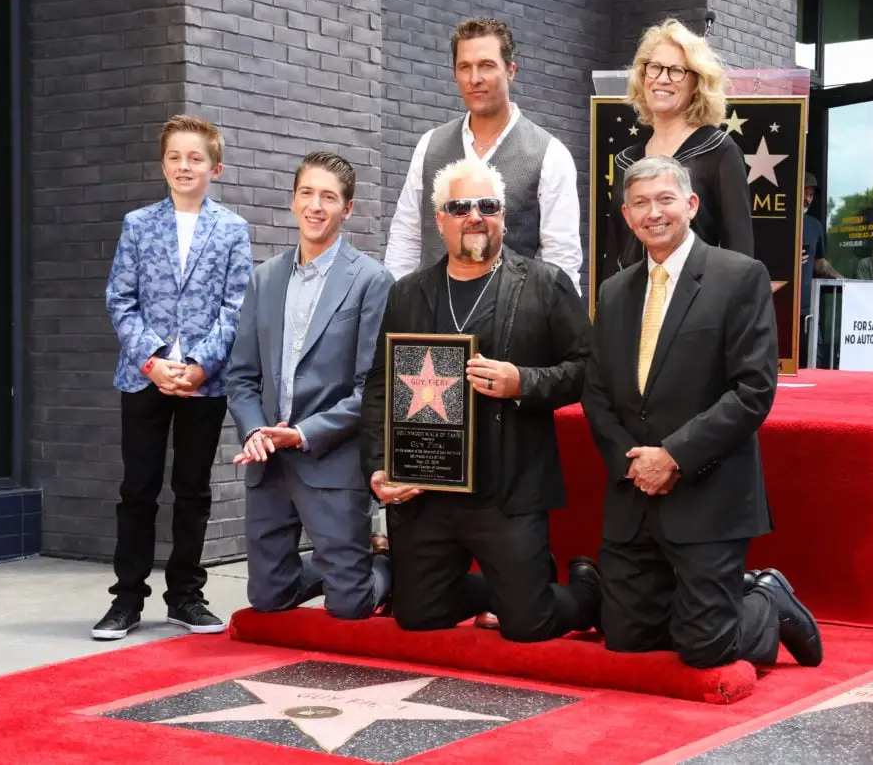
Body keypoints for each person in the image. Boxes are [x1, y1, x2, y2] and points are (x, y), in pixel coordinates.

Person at [582, 156, 822, 669]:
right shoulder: (614, 291)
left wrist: (672, 457)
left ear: (690, 205)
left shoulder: (738, 277)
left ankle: (765, 602)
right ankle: (704, 608)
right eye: (641, 203)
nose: (654, 213)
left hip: (708, 493)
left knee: (704, 650)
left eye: (665, 199)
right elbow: (596, 392)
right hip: (633, 496)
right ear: (626, 216)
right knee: (627, 643)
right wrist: (635, 464)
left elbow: (753, 390)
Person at [360, 157, 600, 642]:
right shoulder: (407, 294)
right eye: (460, 206)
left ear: (504, 217)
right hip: (428, 491)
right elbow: (380, 385)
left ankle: (586, 593)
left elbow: (589, 371)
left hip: (507, 490)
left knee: (529, 625)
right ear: (440, 220)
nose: (475, 215)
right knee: (417, 615)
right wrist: (379, 465)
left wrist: (523, 383)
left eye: (487, 205)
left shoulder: (546, 284)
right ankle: (503, 588)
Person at [97, 115, 252, 640]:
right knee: (138, 488)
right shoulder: (138, 224)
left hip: (203, 382)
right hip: (144, 377)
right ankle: (126, 601)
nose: (185, 166)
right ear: (163, 164)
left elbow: (236, 307)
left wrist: (201, 364)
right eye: (175, 158)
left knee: (193, 489)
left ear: (215, 166)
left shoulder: (231, 228)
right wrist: (152, 361)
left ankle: (186, 596)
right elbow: (120, 299)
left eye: (196, 158)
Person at [226, 152, 394, 619]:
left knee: (351, 606)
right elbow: (241, 375)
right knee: (267, 598)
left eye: (329, 197)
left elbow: (371, 390)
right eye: (307, 193)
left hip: (331, 459)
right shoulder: (264, 279)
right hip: (271, 463)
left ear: (348, 208)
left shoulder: (371, 281)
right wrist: (256, 431)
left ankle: (383, 566)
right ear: (293, 200)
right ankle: (339, 566)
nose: (315, 206)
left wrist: (303, 433)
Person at [383, 17, 583, 294]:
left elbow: (562, 259)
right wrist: (394, 306)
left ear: (511, 70)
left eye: (486, 66)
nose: (474, 79)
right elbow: (406, 238)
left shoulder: (549, 154)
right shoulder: (430, 146)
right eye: (465, 67)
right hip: (433, 321)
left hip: (511, 323)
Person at [605, 18, 753, 278]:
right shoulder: (626, 162)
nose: (662, 79)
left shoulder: (718, 151)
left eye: (676, 71)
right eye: (655, 68)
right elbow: (615, 250)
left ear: (696, 83)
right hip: (634, 305)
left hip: (699, 307)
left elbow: (739, 253)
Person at [800, 172, 843, 367]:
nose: (807, 198)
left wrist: (843, 280)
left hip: (808, 308)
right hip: (779, 306)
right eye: (804, 192)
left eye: (810, 194)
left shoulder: (815, 225)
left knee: (811, 363)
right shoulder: (780, 220)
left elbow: (819, 262)